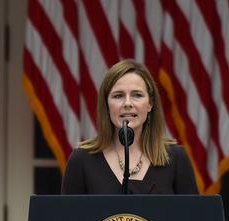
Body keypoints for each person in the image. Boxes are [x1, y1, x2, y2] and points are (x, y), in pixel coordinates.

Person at [61, 59, 199, 194]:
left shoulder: (176, 159)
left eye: (137, 95)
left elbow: (193, 216)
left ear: (150, 104)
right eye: (118, 96)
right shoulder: (81, 160)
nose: (127, 103)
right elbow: (68, 216)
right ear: (107, 105)